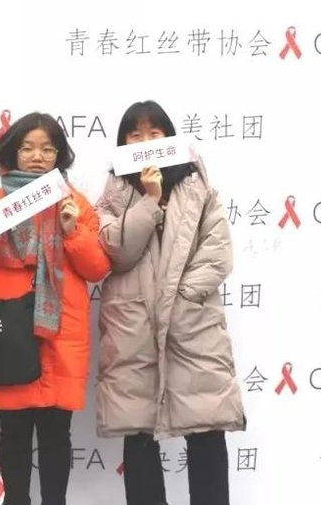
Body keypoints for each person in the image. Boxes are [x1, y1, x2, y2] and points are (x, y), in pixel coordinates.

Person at [95, 100, 245, 505]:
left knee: (206, 426)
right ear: (123, 143)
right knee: (138, 431)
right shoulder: (112, 195)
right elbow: (118, 252)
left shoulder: (198, 187)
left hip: (192, 324)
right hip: (133, 327)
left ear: (170, 137)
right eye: (135, 135)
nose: (145, 141)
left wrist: (184, 296)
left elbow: (218, 251)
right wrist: (150, 200)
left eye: (154, 133)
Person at [0, 112, 110, 505]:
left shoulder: (74, 204)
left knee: (56, 434)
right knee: (12, 434)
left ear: (59, 156)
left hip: (61, 331)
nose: (37, 156)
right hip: (10, 332)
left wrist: (72, 231)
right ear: (12, 152)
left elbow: (97, 267)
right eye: (27, 148)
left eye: (47, 149)